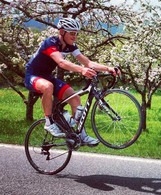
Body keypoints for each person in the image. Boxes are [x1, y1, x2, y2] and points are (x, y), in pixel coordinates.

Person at [25, 18, 118, 146]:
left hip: (47, 76)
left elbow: (88, 63)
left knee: (75, 98)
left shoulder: (71, 46)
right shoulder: (50, 43)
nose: (75, 37)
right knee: (48, 87)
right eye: (72, 33)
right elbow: (61, 63)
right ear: (62, 32)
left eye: (76, 33)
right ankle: (49, 122)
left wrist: (108, 68)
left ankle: (80, 135)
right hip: (33, 76)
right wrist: (82, 70)